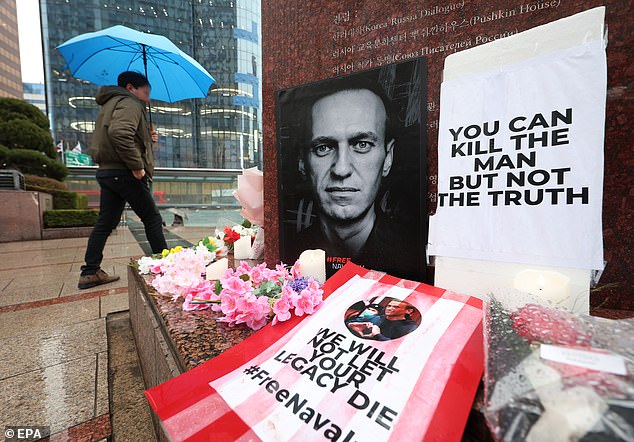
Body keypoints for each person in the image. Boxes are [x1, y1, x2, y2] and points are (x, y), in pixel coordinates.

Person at [293, 79, 413, 276]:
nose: (341, 169)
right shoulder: (291, 249)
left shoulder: (409, 252)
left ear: (388, 158)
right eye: (323, 148)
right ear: (302, 162)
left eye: (362, 144)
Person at [78, 71, 167, 289]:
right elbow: (119, 133)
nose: (147, 97)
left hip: (108, 172)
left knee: (105, 223)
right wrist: (137, 166)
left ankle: (90, 272)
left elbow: (118, 133)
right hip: (124, 172)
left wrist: (147, 137)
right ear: (130, 87)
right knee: (152, 219)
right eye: (145, 92)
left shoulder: (111, 103)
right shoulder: (130, 103)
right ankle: (166, 268)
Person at [347, 299, 418, 341]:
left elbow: (399, 348)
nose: (389, 308)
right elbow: (347, 323)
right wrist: (353, 325)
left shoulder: (410, 327)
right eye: (389, 306)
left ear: (408, 311)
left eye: (396, 307)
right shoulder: (373, 318)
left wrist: (377, 335)